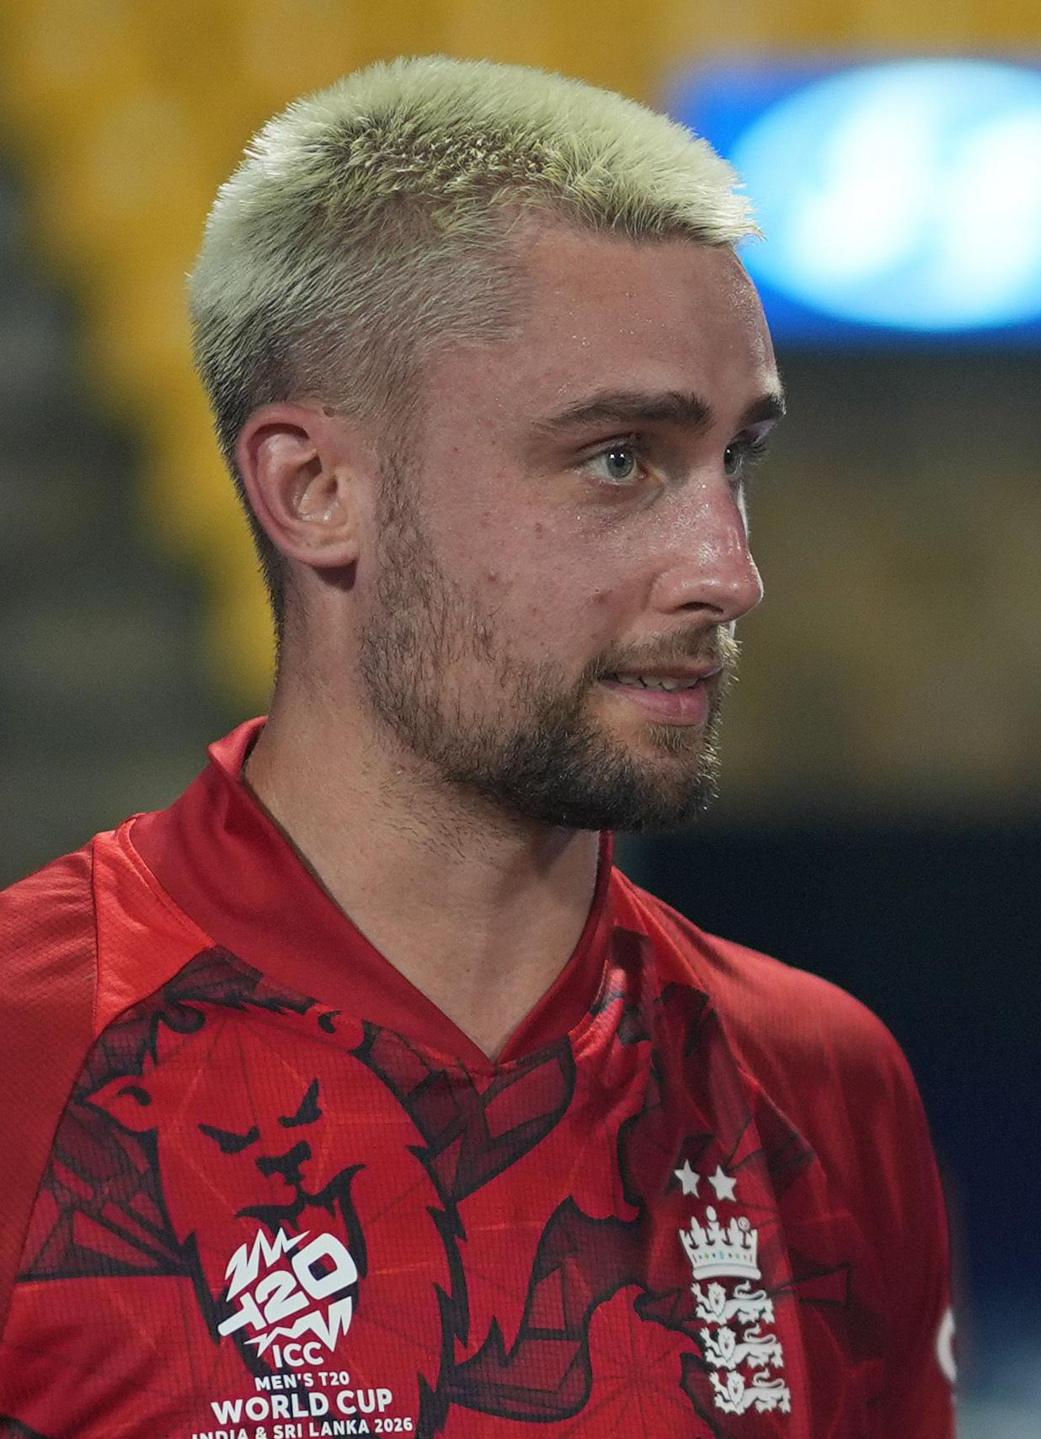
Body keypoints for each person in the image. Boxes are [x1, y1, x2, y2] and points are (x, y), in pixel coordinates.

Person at [0, 58, 955, 1435]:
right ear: (314, 488)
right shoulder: (34, 1054)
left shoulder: (818, 1080)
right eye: (621, 458)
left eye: (733, 461)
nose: (727, 571)